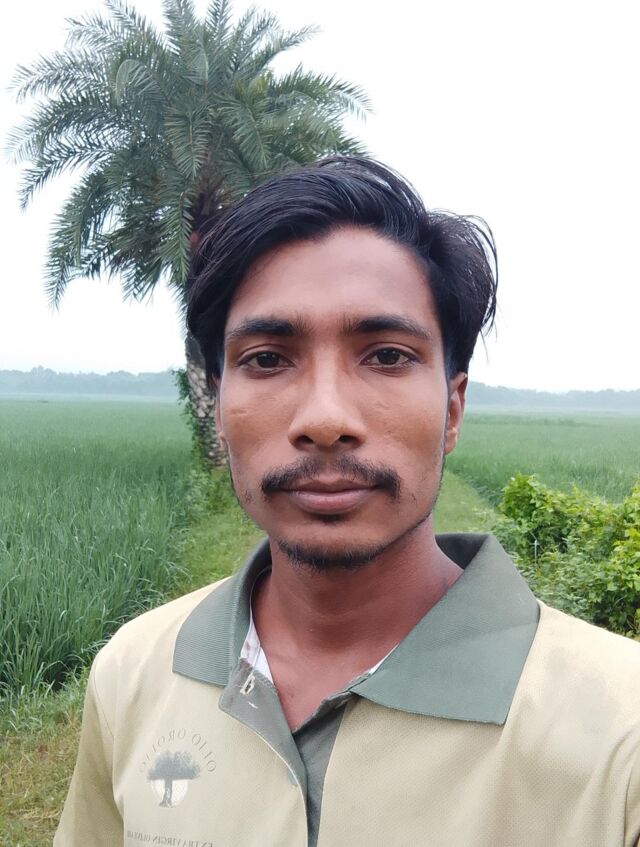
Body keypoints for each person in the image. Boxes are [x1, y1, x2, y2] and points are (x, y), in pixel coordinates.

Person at [55, 157, 640, 847]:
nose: (325, 418)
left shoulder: (619, 731)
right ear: (218, 404)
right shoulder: (134, 671)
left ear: (452, 409)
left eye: (387, 355)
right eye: (267, 359)